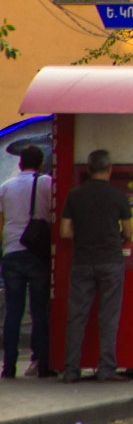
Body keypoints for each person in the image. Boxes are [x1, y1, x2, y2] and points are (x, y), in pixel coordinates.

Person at [60, 148, 133, 383]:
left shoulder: (74, 195)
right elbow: (130, 232)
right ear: (109, 170)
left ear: (89, 170)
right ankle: (106, 368)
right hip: (111, 261)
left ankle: (71, 370)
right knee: (108, 316)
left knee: (77, 317)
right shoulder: (119, 196)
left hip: (82, 261)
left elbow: (64, 231)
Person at [1, 144, 54, 378]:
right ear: (41, 163)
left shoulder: (5, 187)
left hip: (11, 252)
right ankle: (42, 363)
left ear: (20, 164)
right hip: (37, 253)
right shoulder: (47, 183)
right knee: (39, 311)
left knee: (13, 311)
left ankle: (9, 366)